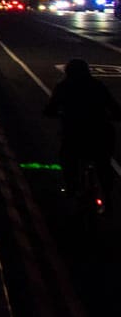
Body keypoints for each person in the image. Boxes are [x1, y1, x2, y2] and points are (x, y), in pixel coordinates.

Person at [43, 58, 120, 208]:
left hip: (74, 131)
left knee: (67, 158)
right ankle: (108, 195)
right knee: (103, 162)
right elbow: (114, 108)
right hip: (99, 131)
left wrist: (56, 113)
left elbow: (50, 109)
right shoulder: (97, 86)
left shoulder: (63, 86)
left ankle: (71, 188)